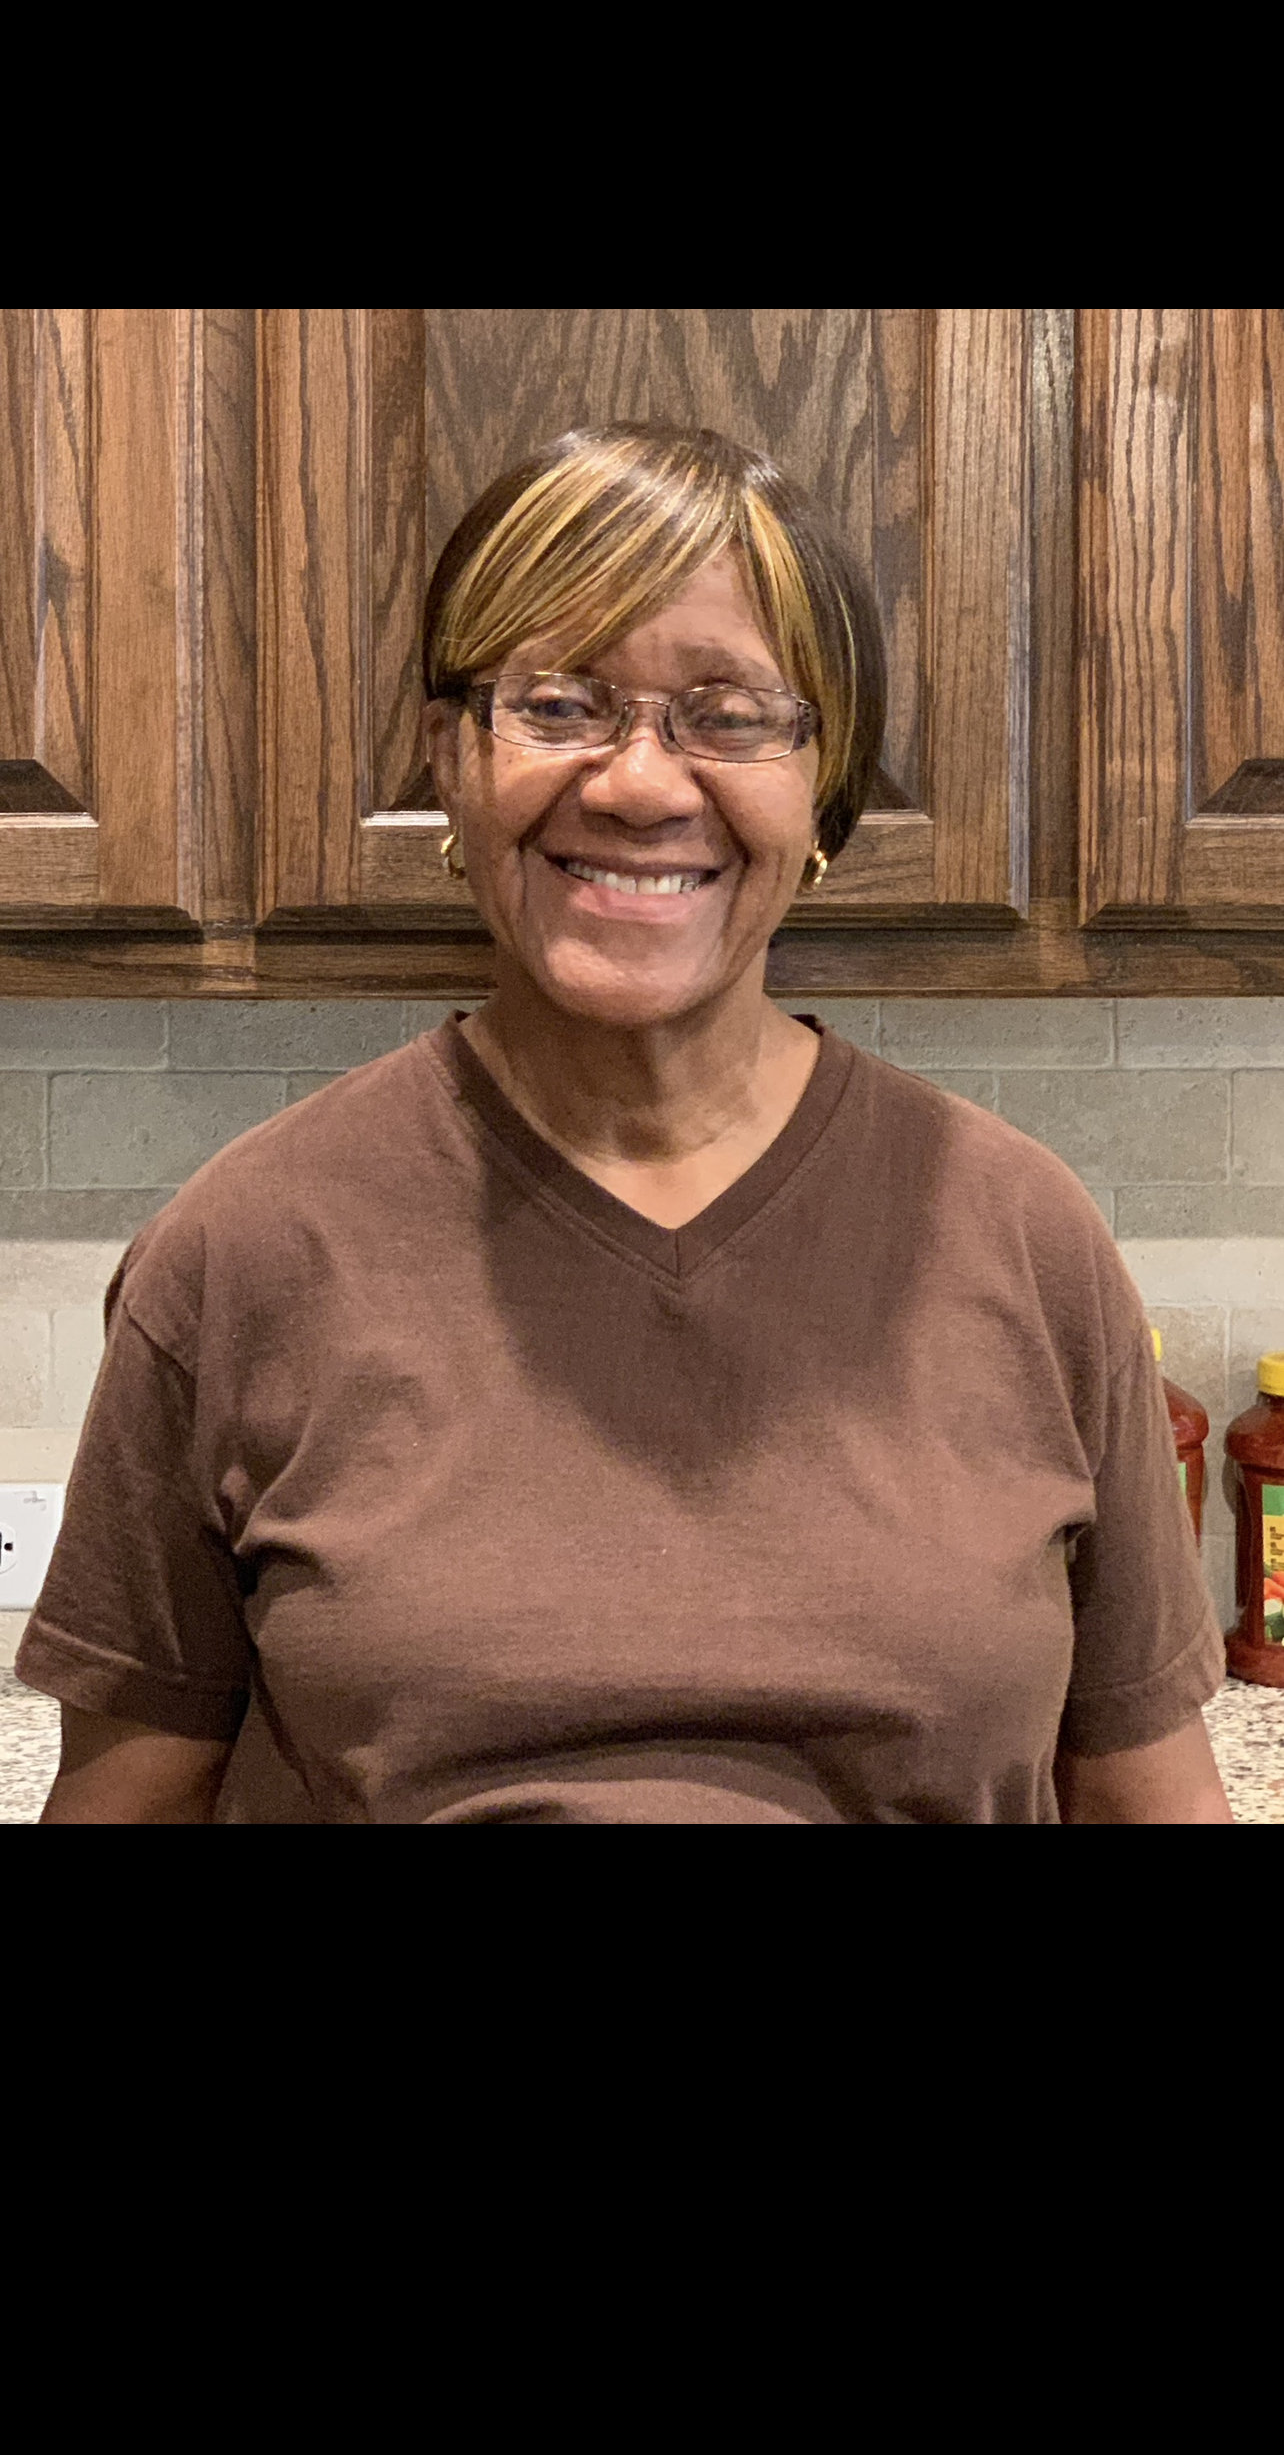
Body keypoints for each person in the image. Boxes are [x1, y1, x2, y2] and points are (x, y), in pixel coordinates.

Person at [19, 424, 1230, 1822]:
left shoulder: (1027, 1241)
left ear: (820, 793)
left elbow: (1155, 1797)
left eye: (728, 713)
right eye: (559, 702)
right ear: (450, 763)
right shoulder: (240, 1255)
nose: (642, 783)